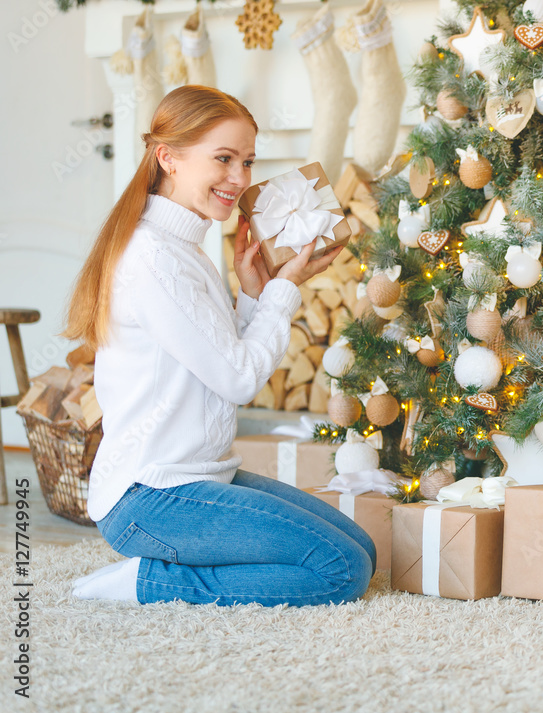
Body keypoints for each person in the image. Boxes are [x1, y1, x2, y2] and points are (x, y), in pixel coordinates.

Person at [63, 85, 375, 607]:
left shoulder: (185, 249)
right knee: (341, 570)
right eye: (224, 159)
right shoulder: (154, 259)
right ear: (169, 158)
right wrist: (283, 291)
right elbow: (238, 379)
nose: (240, 179)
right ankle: (148, 582)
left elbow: (218, 359)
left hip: (202, 476)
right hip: (152, 496)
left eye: (248, 161)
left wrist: (253, 295)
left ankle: (179, 563)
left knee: (358, 548)